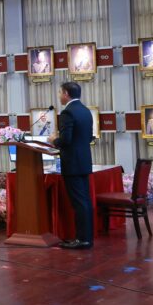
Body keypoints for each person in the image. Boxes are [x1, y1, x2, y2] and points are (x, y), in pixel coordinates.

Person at [53, 81, 95, 250]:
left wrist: (53, 140)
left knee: (79, 203)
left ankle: (82, 239)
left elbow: (66, 140)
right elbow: (87, 137)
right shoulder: (85, 111)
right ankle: (86, 237)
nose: (59, 96)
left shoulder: (67, 113)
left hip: (72, 163)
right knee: (84, 201)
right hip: (84, 161)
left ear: (66, 94)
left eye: (59, 92)